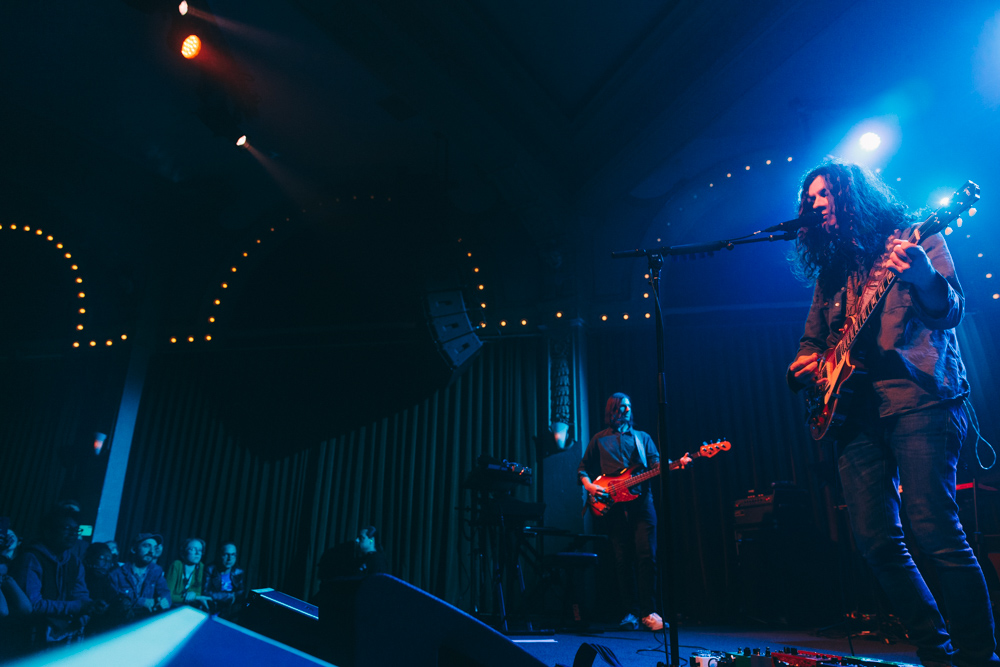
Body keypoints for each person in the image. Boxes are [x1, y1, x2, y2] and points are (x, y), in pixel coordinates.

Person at [786, 160, 997, 667]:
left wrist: (923, 275)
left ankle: (978, 656)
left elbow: (949, 312)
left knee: (933, 528)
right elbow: (809, 346)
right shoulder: (832, 272)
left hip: (920, 398)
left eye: (825, 196)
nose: (816, 206)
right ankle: (936, 652)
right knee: (875, 541)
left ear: (852, 195)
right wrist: (806, 367)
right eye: (809, 201)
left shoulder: (915, 239)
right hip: (855, 413)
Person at [577, 393, 672, 631]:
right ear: (612, 410)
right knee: (622, 560)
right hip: (612, 505)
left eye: (629, 407)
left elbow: (655, 465)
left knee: (646, 556)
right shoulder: (599, 439)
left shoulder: (642, 438)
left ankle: (648, 612)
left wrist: (676, 463)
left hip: (642, 502)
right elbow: (582, 469)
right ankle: (630, 612)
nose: (627, 411)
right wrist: (590, 486)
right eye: (622, 407)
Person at [11, 507, 103, 649]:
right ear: (48, 531)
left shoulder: (74, 561)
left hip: (62, 636)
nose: (73, 533)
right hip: (31, 636)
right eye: (66, 528)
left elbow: (81, 594)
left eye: (76, 529)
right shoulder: (32, 558)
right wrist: (78, 607)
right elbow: (32, 605)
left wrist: (88, 609)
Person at [107, 534, 171, 624]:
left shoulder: (156, 571)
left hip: (146, 623)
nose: (151, 551)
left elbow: (165, 592)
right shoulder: (116, 574)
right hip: (120, 625)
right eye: (146, 546)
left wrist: (165, 601)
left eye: (154, 548)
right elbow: (114, 600)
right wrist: (141, 602)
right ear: (134, 549)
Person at [203, 542, 247, 619]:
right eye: (226, 554)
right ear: (220, 555)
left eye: (233, 555)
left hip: (230, 612)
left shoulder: (239, 572)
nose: (229, 559)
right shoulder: (210, 569)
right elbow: (205, 592)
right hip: (211, 609)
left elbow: (240, 594)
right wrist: (229, 596)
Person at [165, 538, 211, 611]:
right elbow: (167, 595)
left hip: (189, 610)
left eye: (200, 550)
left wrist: (194, 594)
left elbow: (199, 592)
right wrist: (194, 597)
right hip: (172, 608)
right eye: (193, 549)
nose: (197, 553)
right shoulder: (177, 565)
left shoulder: (202, 567)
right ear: (184, 551)